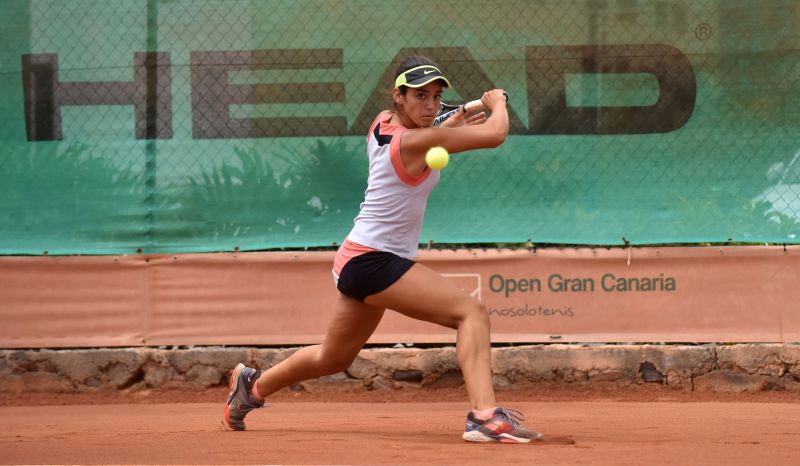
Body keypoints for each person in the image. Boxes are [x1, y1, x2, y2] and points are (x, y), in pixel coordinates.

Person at [224, 56, 542, 443]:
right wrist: (497, 103)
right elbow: (494, 135)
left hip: (356, 258)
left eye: (436, 96)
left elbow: (426, 138)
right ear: (399, 95)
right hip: (375, 260)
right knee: (471, 313)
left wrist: (447, 125)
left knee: (333, 357)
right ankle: (485, 417)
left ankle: (250, 387)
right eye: (420, 96)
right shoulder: (418, 139)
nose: (429, 105)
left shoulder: (381, 123)